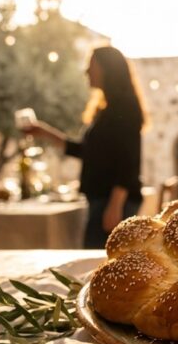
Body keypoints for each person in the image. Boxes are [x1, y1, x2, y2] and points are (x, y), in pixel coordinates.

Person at [26, 46, 145, 249]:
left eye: (92, 66)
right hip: (102, 200)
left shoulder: (124, 107)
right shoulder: (107, 109)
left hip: (111, 201)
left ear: (107, 69)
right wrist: (46, 132)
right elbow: (88, 152)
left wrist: (115, 205)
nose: (87, 72)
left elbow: (129, 159)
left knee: (100, 261)